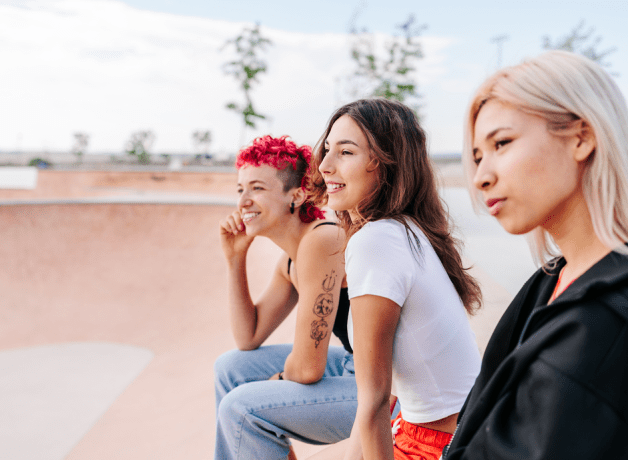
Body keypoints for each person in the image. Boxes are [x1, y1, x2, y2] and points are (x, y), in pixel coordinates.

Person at [441, 50, 628, 459]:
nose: (480, 176)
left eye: (502, 143)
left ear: (582, 137)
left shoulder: (602, 322)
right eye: (476, 156)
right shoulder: (553, 278)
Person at [306, 98, 483, 460]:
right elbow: (385, 400)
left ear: (383, 162)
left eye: (345, 152)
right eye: (327, 150)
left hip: (440, 446)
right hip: (448, 427)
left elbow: (373, 400)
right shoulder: (408, 229)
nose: (325, 165)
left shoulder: (377, 241)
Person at [213, 135, 358, 460]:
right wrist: (235, 259)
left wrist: (276, 380)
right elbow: (247, 337)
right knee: (231, 368)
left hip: (389, 390)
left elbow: (308, 368)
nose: (243, 201)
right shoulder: (290, 262)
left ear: (297, 195)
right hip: (353, 367)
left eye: (257, 188)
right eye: (240, 189)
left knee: (241, 407)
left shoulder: (324, 239)